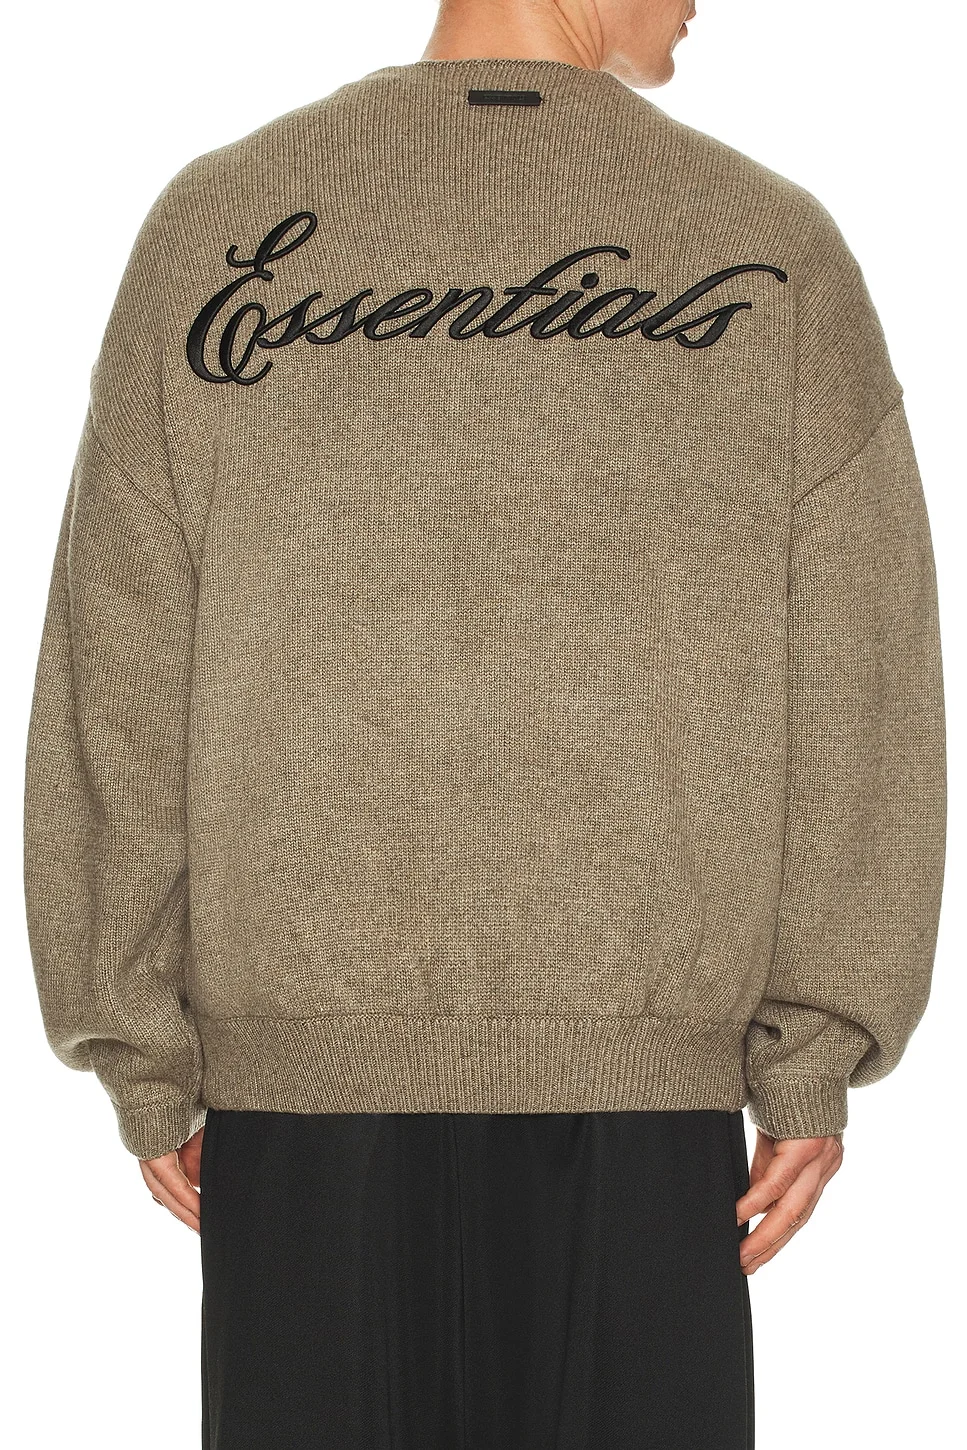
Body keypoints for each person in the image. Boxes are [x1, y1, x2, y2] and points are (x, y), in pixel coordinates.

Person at [22, 0, 946, 1446]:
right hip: (645, 1128)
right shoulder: (767, 245)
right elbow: (860, 681)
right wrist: (811, 1043)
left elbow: (120, 667)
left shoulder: (220, 224)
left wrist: (139, 1042)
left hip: (302, 1126)